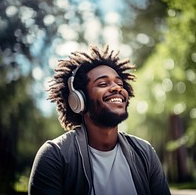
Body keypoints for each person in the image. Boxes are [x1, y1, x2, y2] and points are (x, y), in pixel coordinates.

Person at [28, 45, 171, 195]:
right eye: (103, 84)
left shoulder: (145, 152)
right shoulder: (55, 155)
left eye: (120, 84)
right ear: (78, 100)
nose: (117, 88)